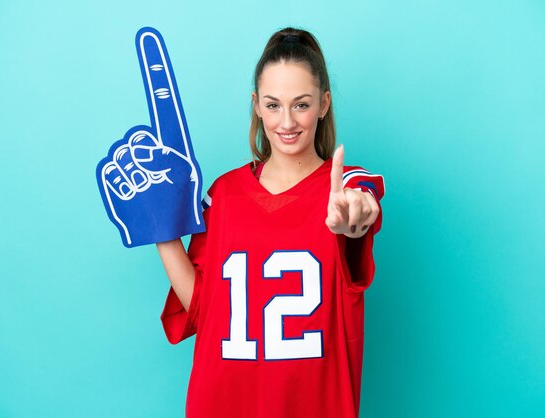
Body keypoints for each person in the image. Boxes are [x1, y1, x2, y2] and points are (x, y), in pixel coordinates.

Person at [156, 27, 385, 418]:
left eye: (301, 104)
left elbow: (362, 205)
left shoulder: (346, 185)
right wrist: (160, 230)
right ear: (256, 106)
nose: (287, 121)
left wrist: (356, 217)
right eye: (273, 104)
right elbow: (202, 307)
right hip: (224, 404)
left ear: (324, 103)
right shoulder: (223, 195)